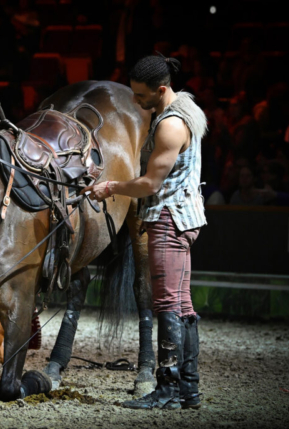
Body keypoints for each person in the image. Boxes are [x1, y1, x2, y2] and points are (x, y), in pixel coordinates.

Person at [83, 54, 208, 410]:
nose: (135, 101)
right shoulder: (185, 108)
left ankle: (167, 388)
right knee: (182, 306)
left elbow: (151, 183)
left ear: (162, 90)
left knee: (167, 304)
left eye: (141, 96)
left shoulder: (170, 126)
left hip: (169, 218)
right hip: (183, 215)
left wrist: (111, 188)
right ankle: (189, 389)